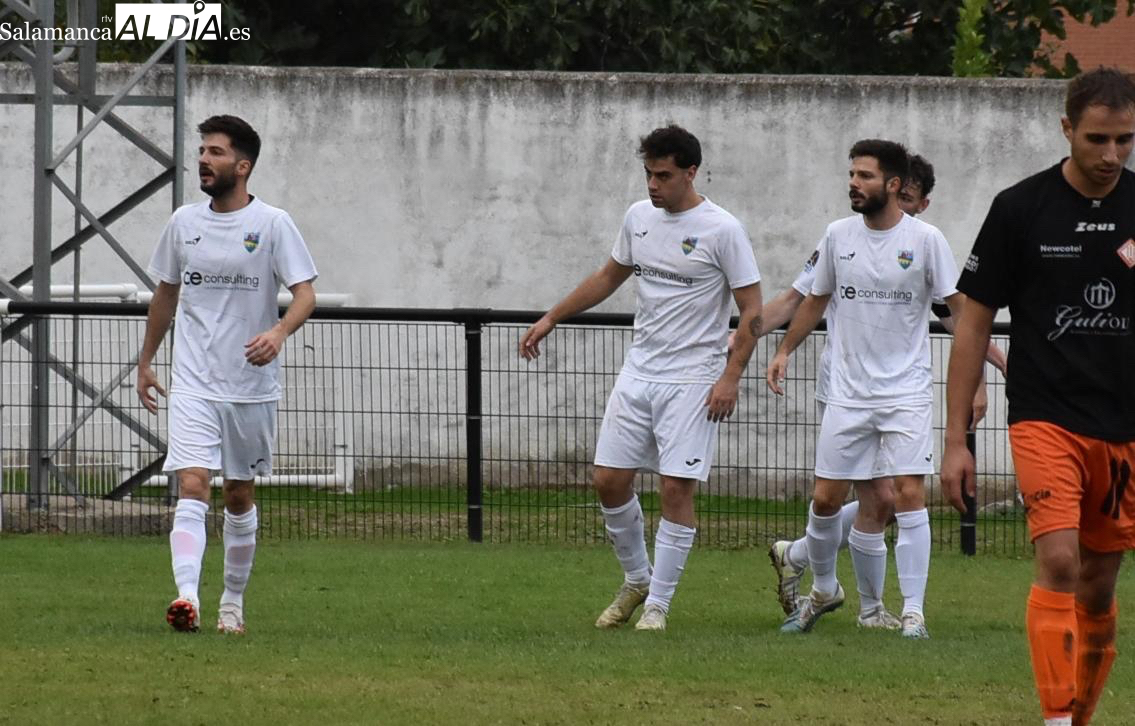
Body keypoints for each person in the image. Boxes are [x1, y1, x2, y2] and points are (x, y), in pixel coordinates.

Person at [942, 68, 1135, 726]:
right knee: (1057, 556)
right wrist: (952, 441)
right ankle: (1055, 722)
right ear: (1065, 129)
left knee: (1098, 585)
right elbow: (971, 321)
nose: (1111, 155)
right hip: (1043, 416)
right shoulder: (1019, 208)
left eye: (1125, 140)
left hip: (1122, 425)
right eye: (1097, 139)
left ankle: (1076, 715)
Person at [519, 125, 762, 632]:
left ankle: (659, 606)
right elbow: (609, 275)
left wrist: (731, 376)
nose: (654, 184)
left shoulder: (722, 230)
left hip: (694, 379)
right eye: (648, 174)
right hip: (639, 372)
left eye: (664, 175)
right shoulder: (638, 218)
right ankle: (637, 579)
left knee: (676, 488)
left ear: (690, 172)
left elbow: (752, 311)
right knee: (607, 481)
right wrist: (551, 317)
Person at [764, 155, 1007, 622]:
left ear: (898, 189)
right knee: (839, 500)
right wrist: (774, 346)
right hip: (844, 390)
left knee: (898, 498)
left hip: (903, 393)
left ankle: (896, 612)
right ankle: (824, 582)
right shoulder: (838, 236)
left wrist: (987, 370)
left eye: (864, 176)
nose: (854, 183)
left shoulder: (924, 242)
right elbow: (805, 298)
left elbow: (958, 315)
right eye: (851, 175)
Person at [136, 115, 318, 634]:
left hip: (250, 387)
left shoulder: (273, 224)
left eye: (215, 152)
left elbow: (305, 294)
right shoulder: (183, 223)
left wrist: (279, 333)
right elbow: (166, 293)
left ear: (243, 165)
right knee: (193, 483)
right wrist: (146, 362)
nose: (203, 160)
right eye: (202, 151)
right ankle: (186, 598)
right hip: (193, 381)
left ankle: (232, 603)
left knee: (239, 493)